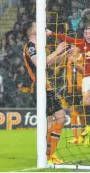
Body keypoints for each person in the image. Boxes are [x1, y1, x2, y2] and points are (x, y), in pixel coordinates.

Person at [23, 21, 68, 164]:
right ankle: (48, 154)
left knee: (54, 120)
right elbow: (40, 63)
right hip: (39, 86)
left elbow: (49, 64)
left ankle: (48, 154)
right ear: (31, 31)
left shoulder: (39, 46)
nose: (41, 27)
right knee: (58, 118)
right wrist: (58, 51)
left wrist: (64, 54)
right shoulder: (30, 47)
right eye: (37, 25)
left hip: (46, 87)